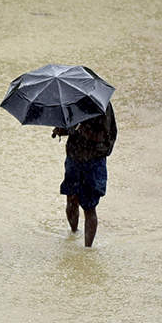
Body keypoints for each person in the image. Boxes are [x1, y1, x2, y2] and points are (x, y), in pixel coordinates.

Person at [52, 103, 117, 247]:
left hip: (94, 160)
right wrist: (62, 130)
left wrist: (80, 128)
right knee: (71, 198)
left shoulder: (102, 105)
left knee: (89, 207)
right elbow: (71, 127)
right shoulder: (71, 101)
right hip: (74, 157)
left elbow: (104, 136)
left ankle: (88, 249)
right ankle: (73, 234)